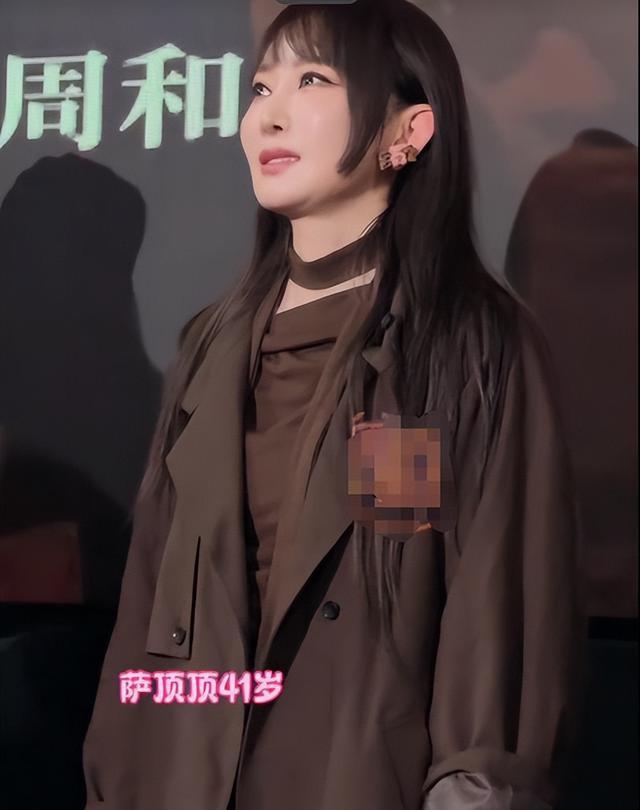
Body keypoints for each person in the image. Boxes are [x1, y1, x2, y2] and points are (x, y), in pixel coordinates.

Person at [82, 2, 586, 808]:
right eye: (259, 88)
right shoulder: (211, 347)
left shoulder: (461, 346)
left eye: (312, 80)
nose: (268, 115)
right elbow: (145, 621)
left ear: (408, 132)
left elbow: (494, 614)